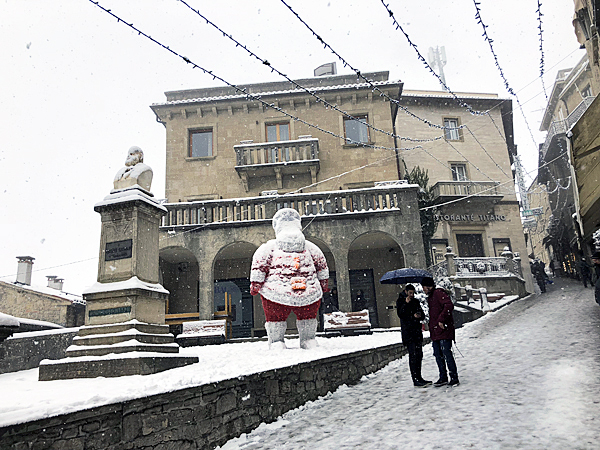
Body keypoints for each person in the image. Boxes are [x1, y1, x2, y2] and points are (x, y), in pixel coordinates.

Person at [250, 208, 329, 350]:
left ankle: (277, 341)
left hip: (276, 292)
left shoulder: (269, 247)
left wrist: (256, 283)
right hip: (308, 289)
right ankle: (307, 339)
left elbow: (260, 264)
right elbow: (321, 264)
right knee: (308, 316)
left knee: (275, 317)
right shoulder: (311, 247)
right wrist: (324, 282)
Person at [421, 277, 459, 387]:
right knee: (438, 354)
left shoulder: (438, 293)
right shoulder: (431, 297)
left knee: (446, 353)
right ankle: (443, 377)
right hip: (435, 331)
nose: (423, 290)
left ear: (428, 286)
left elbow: (449, 305)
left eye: (424, 287)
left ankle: (454, 377)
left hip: (443, 330)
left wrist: (441, 320)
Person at [397, 284, 431, 387]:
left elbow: (422, 315)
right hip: (409, 333)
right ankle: (415, 379)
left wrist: (419, 315)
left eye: (413, 293)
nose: (412, 295)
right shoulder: (401, 301)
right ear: (406, 291)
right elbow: (401, 314)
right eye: (410, 293)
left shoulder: (415, 301)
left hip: (416, 332)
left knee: (419, 355)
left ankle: (419, 376)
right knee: (413, 355)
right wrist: (406, 305)